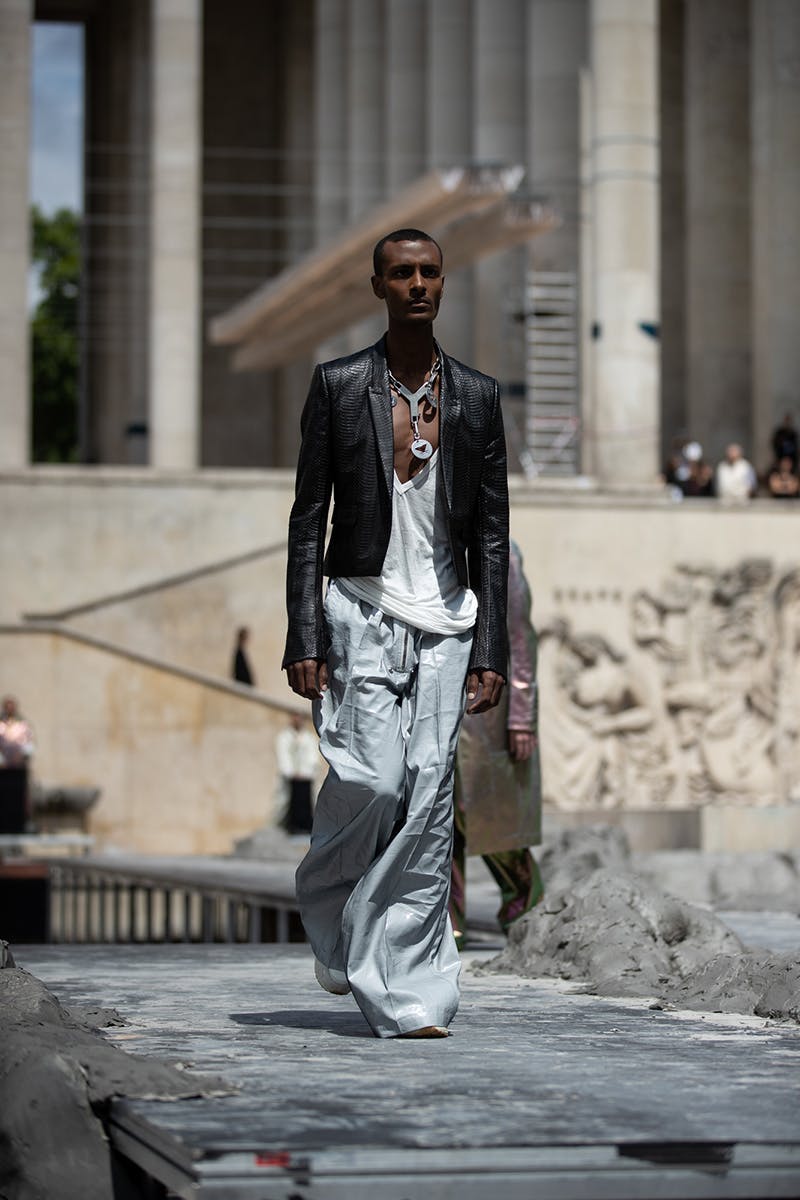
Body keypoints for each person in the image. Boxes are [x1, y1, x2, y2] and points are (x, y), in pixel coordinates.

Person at [283, 228, 509, 1039]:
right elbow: (309, 517)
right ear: (377, 287)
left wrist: (491, 649)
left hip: (450, 621)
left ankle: (413, 994)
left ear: (444, 285)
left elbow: (491, 532)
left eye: (429, 272)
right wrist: (302, 633)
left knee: (428, 802)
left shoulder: (478, 397)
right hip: (361, 610)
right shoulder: (341, 385)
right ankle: (334, 911)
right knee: (373, 783)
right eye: (401, 273)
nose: (417, 284)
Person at [449, 541, 543, 948]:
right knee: (439, 815)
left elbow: (520, 638)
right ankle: (446, 922)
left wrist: (523, 716)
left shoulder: (500, 552)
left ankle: (524, 909)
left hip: (491, 707)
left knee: (493, 817)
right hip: (437, 699)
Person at [275, 713, 318, 834]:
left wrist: (306, 772)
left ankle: (305, 827)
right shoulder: (285, 736)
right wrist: (290, 772)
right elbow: (283, 755)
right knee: (287, 803)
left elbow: (312, 756)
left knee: (306, 804)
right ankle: (289, 827)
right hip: (291, 779)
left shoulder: (308, 737)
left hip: (306, 779)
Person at [0, 696, 35, 835]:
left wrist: (24, 755)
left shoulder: (23, 725)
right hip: (2, 770)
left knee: (17, 799)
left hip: (18, 770)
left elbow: (28, 744)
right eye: (7, 706)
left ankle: (18, 825)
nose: (10, 709)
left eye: (12, 706)